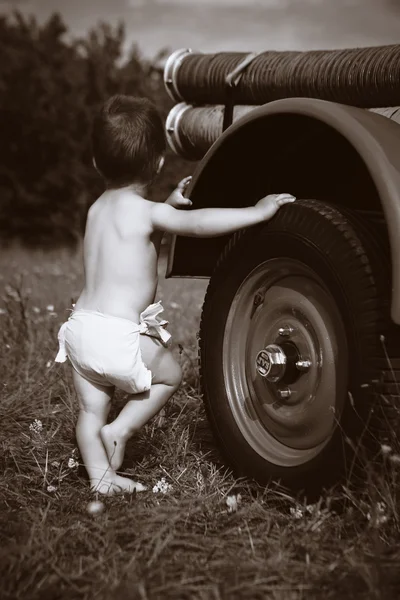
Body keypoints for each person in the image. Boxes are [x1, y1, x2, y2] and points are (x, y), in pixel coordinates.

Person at [55, 94, 295, 495]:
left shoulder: (96, 209)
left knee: (88, 410)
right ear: (159, 163)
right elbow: (199, 222)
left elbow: (131, 242)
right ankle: (122, 429)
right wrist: (256, 211)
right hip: (118, 334)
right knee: (169, 376)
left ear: (97, 163)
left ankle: (101, 478)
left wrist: (165, 207)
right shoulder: (147, 212)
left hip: (79, 330)